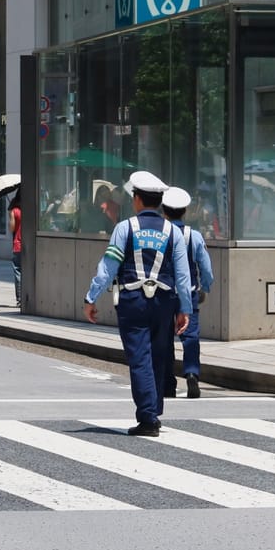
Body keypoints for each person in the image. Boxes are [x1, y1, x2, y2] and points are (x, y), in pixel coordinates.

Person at [83, 171, 191, 436]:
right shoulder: (172, 232)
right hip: (165, 301)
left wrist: (91, 297)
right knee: (158, 356)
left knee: (139, 357)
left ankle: (148, 417)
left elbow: (108, 266)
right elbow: (183, 274)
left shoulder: (125, 228)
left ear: (138, 200)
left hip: (132, 300)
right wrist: (185, 308)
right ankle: (153, 410)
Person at [161, 187, 214, 399]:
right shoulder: (195, 236)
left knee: (164, 337)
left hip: (163, 293)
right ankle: (192, 373)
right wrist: (206, 287)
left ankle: (168, 383)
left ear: (164, 211)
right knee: (190, 335)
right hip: (189, 292)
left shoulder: (160, 235)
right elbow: (206, 267)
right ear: (184, 211)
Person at [8, 196, 23, 307]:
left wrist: (11, 217)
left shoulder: (15, 211)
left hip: (18, 244)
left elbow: (12, 228)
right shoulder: (31, 210)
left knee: (18, 271)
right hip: (31, 245)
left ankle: (20, 298)